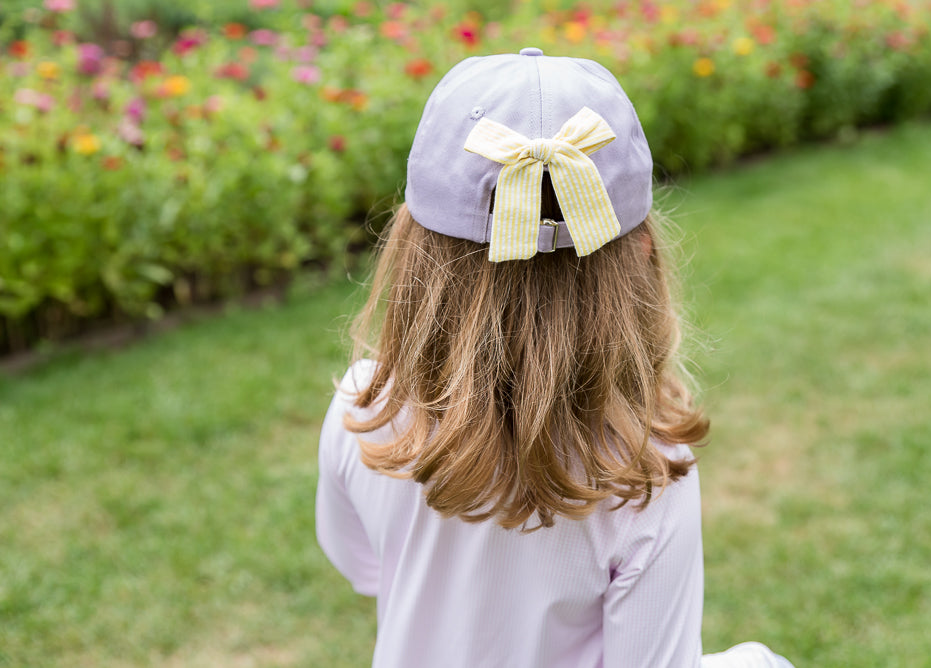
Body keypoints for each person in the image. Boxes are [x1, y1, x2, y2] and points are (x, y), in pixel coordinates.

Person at [316, 48, 794, 668]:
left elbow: (364, 568)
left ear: (413, 250)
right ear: (643, 255)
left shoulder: (364, 408)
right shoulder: (645, 470)